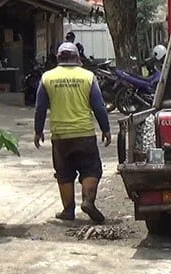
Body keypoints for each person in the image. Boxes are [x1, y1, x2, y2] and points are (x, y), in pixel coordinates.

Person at [34, 42, 112, 223]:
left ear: (58, 58)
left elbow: (40, 108)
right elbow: (99, 106)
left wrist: (38, 131)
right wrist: (106, 129)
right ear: (77, 58)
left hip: (60, 137)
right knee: (91, 169)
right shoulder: (88, 77)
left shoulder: (47, 78)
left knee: (64, 173)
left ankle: (68, 211)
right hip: (84, 134)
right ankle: (88, 201)